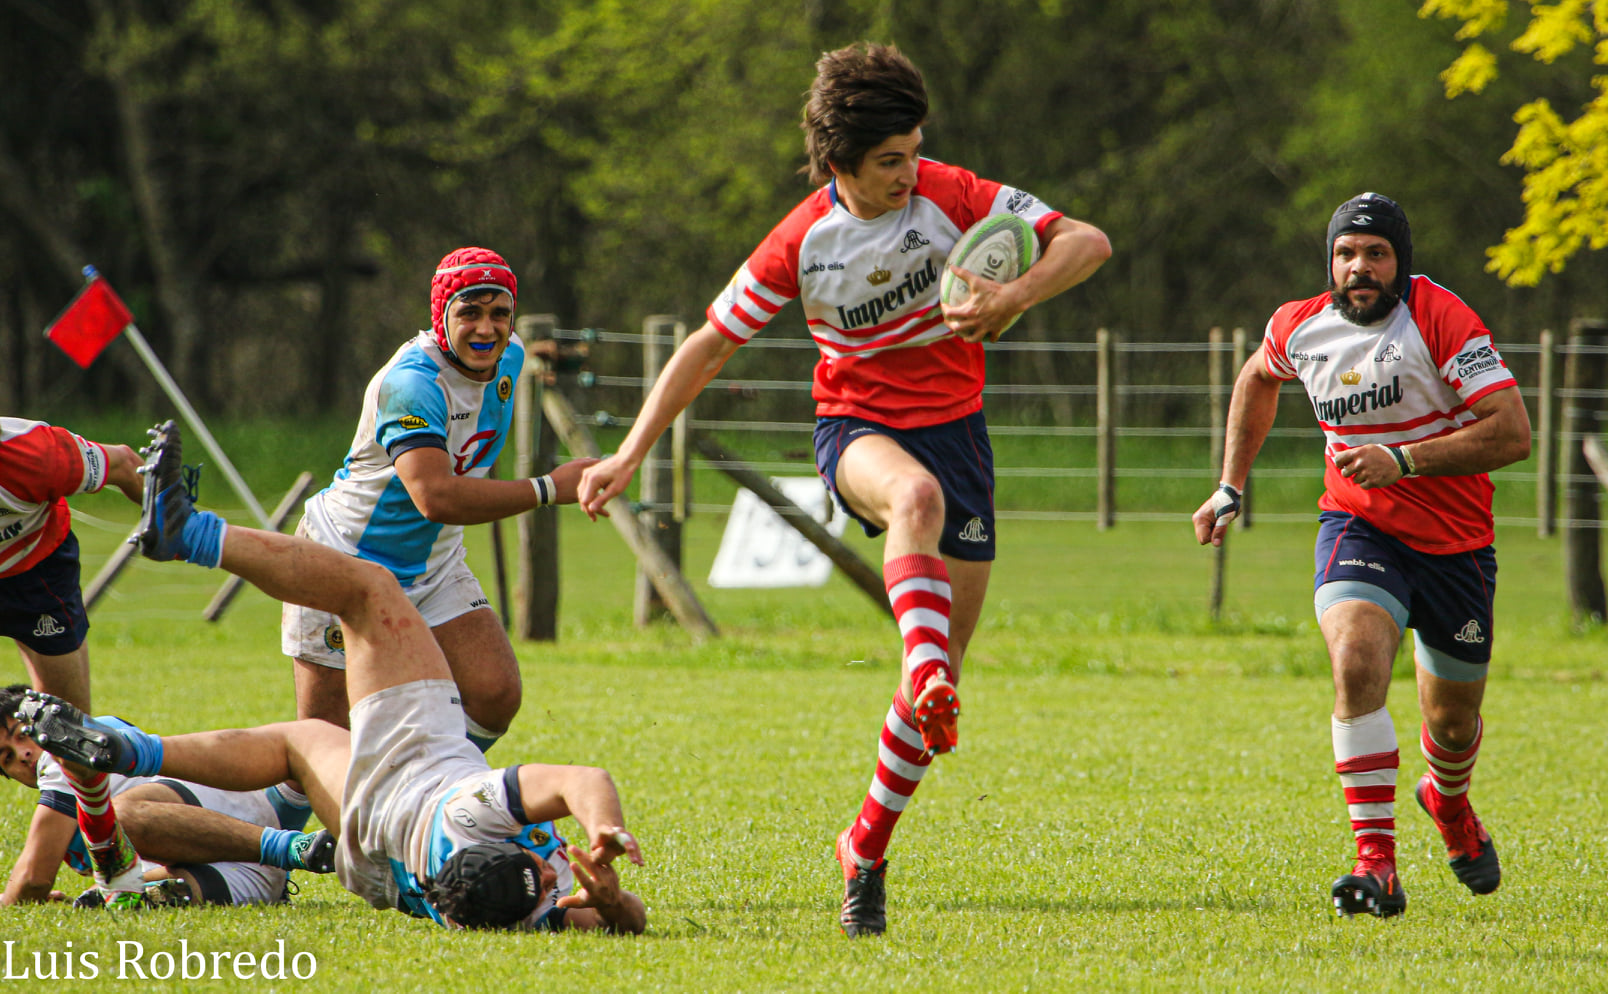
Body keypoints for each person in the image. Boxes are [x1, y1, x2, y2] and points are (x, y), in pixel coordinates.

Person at [576, 42, 1111, 937]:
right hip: (857, 433)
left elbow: (1087, 242)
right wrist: (629, 453)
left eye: (914, 151)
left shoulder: (952, 192)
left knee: (928, 701)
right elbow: (709, 344)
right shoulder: (802, 240)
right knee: (916, 509)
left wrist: (1013, 293)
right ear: (839, 167)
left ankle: (864, 844)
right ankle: (926, 663)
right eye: (888, 162)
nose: (910, 173)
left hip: (960, 438)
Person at [18, 420, 645, 932]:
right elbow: (629, 923)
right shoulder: (532, 916)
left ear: (504, 842)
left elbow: (580, 779)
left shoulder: (473, 816)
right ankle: (139, 761)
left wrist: (603, 827)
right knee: (299, 746)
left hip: (410, 788)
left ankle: (189, 538)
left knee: (368, 589)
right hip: (370, 857)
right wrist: (612, 900)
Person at [1192, 193, 1531, 918]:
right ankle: (1376, 863)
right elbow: (1258, 378)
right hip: (1358, 527)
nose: (1360, 268)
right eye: (1347, 253)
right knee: (1355, 662)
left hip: (1456, 547)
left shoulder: (1442, 319)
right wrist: (1228, 486)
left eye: (1376, 253)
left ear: (1400, 262)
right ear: (1330, 262)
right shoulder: (1299, 325)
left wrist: (1404, 459)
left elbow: (1512, 433)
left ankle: (1448, 803)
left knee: (1451, 725)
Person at [284, 247, 596, 751]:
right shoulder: (411, 384)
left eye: (499, 314)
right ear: (441, 315)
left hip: (433, 564)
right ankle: (277, 831)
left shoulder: (511, 356)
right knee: (324, 750)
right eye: (469, 312)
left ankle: (435, 800)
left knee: (494, 695)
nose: (486, 329)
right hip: (345, 560)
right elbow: (435, 497)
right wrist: (547, 488)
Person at [0, 684, 332, 908]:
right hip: (240, 877)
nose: (24, 755)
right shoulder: (61, 804)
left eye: (20, 737)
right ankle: (156, 893)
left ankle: (293, 848)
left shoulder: (73, 745)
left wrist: (7, 900)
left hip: (238, 820)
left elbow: (33, 879)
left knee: (122, 818)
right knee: (123, 890)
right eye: (7, 758)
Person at [0, 418, 145, 711]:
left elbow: (125, 465)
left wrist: (180, 528)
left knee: (67, 730)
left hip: (35, 571)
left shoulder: (32, 453)